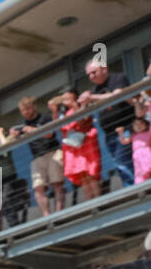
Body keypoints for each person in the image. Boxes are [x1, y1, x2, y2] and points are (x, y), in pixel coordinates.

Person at [82, 58, 138, 188]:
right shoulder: (94, 90)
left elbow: (117, 95)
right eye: (88, 74)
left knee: (123, 160)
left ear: (104, 69)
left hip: (125, 128)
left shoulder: (118, 78)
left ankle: (136, 189)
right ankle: (134, 188)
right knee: (119, 163)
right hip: (109, 134)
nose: (91, 76)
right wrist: (84, 102)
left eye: (94, 72)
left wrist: (92, 97)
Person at [13, 95, 63, 217]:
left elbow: (50, 134)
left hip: (52, 152)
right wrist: (14, 134)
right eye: (23, 110)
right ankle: (47, 215)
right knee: (38, 187)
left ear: (34, 107)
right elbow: (14, 139)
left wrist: (31, 130)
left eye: (28, 109)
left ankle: (60, 213)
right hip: (36, 157)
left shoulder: (45, 117)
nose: (25, 112)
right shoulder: (21, 123)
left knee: (56, 183)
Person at [53, 89, 101, 204]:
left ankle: (99, 200)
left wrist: (74, 106)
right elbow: (58, 127)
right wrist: (54, 110)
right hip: (72, 146)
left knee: (90, 174)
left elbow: (82, 122)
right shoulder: (63, 114)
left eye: (68, 97)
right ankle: (90, 203)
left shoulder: (83, 106)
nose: (65, 99)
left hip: (85, 143)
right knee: (82, 176)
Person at [115, 112, 151, 185]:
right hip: (137, 157)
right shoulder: (133, 136)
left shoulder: (148, 133)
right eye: (135, 124)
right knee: (140, 174)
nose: (138, 126)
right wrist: (120, 133)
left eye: (141, 124)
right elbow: (123, 141)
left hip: (147, 154)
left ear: (145, 124)